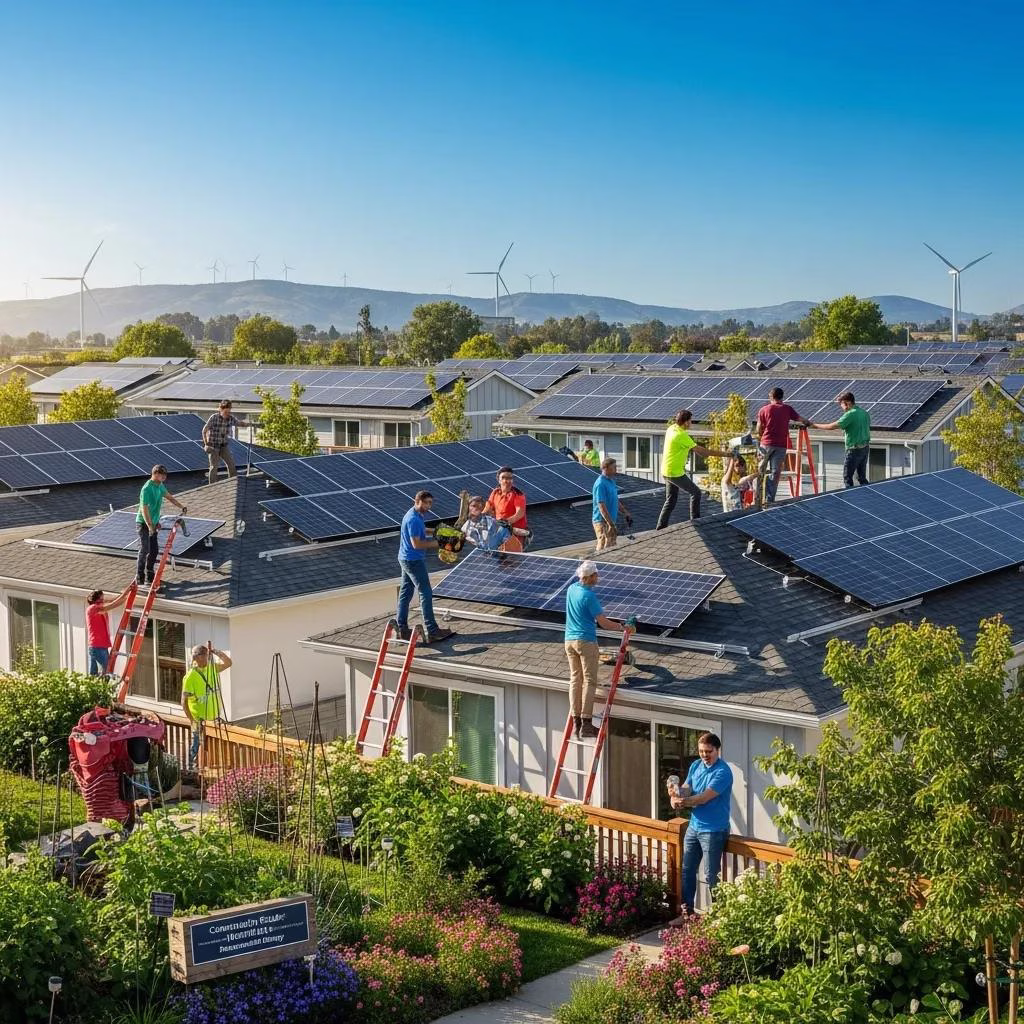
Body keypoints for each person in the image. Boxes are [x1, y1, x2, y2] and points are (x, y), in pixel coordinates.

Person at [564, 560, 632, 739]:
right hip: (585, 641)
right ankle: (586, 724)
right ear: (590, 577)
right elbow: (603, 623)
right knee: (589, 680)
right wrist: (622, 627)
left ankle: (576, 720)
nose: (598, 578)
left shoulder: (571, 589)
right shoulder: (588, 596)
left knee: (575, 679)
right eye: (596, 575)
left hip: (569, 641)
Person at [669, 732, 734, 914]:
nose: (704, 755)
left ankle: (720, 916)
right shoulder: (696, 765)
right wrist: (676, 794)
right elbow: (687, 789)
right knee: (687, 870)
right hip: (694, 826)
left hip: (713, 830)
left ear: (717, 750)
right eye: (701, 751)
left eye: (708, 751)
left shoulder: (723, 772)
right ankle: (687, 913)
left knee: (711, 875)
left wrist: (683, 802)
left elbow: (704, 798)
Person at [397, 491, 456, 644]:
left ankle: (401, 627)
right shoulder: (413, 519)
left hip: (405, 558)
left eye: (430, 503)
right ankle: (432, 630)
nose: (428, 506)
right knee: (426, 592)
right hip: (413, 560)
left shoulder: (413, 515)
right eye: (426, 503)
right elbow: (417, 544)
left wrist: (438, 532)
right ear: (416, 501)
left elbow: (422, 530)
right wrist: (441, 543)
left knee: (406, 592)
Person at [655, 410, 730, 529]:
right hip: (674, 473)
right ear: (685, 422)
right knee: (696, 493)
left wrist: (703, 453)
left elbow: (699, 452)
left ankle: (660, 527)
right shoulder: (681, 435)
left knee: (671, 500)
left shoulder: (672, 428)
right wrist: (727, 454)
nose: (691, 423)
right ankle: (695, 522)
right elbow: (704, 453)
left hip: (666, 470)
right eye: (690, 420)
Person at [755, 387, 810, 504]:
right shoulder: (787, 409)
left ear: (771, 397)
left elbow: (758, 428)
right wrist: (810, 423)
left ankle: (758, 498)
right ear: (782, 397)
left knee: (761, 470)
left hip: (766, 444)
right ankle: (770, 500)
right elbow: (801, 419)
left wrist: (761, 436)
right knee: (775, 473)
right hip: (781, 445)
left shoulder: (764, 410)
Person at [135, 465, 187, 588]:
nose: (164, 477)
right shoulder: (147, 488)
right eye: (162, 474)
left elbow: (169, 497)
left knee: (154, 551)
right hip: (143, 523)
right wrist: (149, 526)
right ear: (155, 473)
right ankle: (140, 577)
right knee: (145, 549)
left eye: (165, 475)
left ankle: (150, 577)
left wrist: (181, 506)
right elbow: (144, 509)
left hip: (153, 523)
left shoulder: (160, 486)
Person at [181, 643, 231, 769]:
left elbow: (228, 662)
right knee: (196, 745)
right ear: (198, 658)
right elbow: (184, 702)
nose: (207, 658)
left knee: (211, 746)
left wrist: (215, 651)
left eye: (207, 656)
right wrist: (192, 721)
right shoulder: (190, 677)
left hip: (213, 717)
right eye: (204, 656)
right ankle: (188, 768)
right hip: (199, 719)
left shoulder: (212, 668)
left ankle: (206, 766)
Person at [810, 391, 872, 489]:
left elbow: (832, 426)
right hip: (865, 448)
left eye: (841, 404)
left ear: (847, 403)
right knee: (862, 478)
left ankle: (848, 501)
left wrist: (814, 425)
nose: (841, 407)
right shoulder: (864, 413)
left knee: (847, 478)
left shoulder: (850, 414)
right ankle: (868, 497)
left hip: (854, 450)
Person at [85, 583, 134, 676]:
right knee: (107, 670)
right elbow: (112, 605)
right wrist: (126, 594)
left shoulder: (97, 606)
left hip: (98, 645)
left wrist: (126, 594)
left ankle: (97, 688)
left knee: (94, 673)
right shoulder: (93, 608)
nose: (103, 600)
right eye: (101, 598)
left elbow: (113, 601)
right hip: (97, 646)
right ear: (96, 600)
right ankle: (102, 688)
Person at [203, 399, 250, 486]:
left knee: (231, 464)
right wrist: (206, 444)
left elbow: (238, 423)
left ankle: (233, 484)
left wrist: (246, 423)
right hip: (214, 446)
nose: (227, 414)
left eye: (229, 412)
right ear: (221, 410)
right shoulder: (214, 418)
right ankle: (212, 486)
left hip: (224, 446)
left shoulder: (230, 418)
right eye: (225, 412)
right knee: (214, 467)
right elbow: (204, 430)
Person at [460, 494, 530, 551]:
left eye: (480, 506)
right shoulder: (466, 527)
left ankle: (527, 534)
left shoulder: (490, 521)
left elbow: (506, 531)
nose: (476, 508)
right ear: (469, 507)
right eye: (473, 506)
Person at [592, 457, 632, 552]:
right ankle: (599, 564)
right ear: (605, 468)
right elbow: (601, 506)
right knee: (603, 546)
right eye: (614, 467)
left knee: (612, 546)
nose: (616, 470)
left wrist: (626, 513)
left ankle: (609, 565)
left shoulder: (611, 481)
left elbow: (615, 500)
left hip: (611, 521)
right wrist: (610, 524)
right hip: (602, 521)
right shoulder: (600, 484)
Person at [484, 467, 530, 536]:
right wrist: (479, 516)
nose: (507, 481)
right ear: (498, 480)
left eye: (509, 478)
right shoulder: (495, 492)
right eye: (503, 478)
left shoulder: (518, 495)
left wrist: (505, 523)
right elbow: (488, 507)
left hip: (515, 532)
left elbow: (519, 514)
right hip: (499, 530)